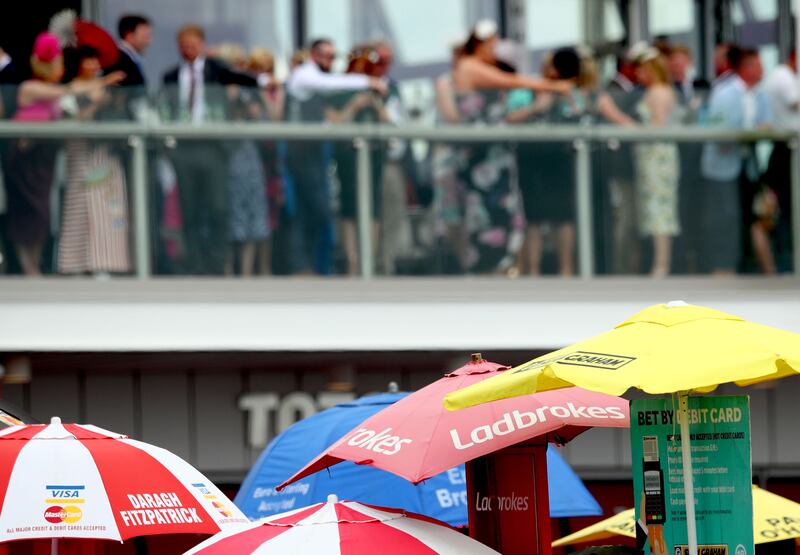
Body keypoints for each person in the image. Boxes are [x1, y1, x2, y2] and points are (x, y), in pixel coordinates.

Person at [451, 20, 570, 274]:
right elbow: (511, 81)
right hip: (480, 157)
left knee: (502, 211)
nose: (494, 50)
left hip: (495, 156)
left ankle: (501, 265)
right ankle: (485, 266)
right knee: (484, 214)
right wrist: (552, 86)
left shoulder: (480, 66)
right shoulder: (469, 66)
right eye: (492, 44)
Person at [5, 33, 121, 276]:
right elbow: (69, 90)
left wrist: (95, 103)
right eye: (57, 64)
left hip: (44, 156)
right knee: (23, 210)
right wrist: (102, 81)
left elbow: (71, 120)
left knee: (41, 212)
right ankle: (28, 268)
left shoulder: (56, 92)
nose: (61, 69)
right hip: (24, 155)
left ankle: (34, 266)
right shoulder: (31, 87)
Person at [161, 24, 268, 275]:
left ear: (202, 44)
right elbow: (164, 108)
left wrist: (263, 80)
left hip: (213, 147)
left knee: (218, 206)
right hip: (185, 148)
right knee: (190, 207)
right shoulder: (170, 76)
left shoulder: (216, 71)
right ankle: (195, 264)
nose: (188, 48)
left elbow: (241, 78)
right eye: (183, 44)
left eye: (193, 43)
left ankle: (217, 263)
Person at [284, 37, 387, 275]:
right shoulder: (305, 75)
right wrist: (368, 81)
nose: (331, 61)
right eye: (327, 56)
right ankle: (302, 265)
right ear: (314, 55)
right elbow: (328, 84)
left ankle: (314, 265)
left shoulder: (317, 78)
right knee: (309, 209)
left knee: (316, 210)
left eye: (333, 56)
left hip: (316, 151)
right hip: (300, 153)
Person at [507, 48, 584, 276]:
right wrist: (536, 107)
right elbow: (509, 118)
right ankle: (533, 271)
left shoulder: (568, 91)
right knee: (534, 218)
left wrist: (565, 97)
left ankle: (566, 270)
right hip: (531, 160)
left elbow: (579, 114)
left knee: (563, 217)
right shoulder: (526, 90)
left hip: (560, 159)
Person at [59, 47, 131, 275]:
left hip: (105, 154)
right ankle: (75, 264)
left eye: (96, 61)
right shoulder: (69, 88)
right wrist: (96, 100)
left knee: (109, 210)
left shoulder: (106, 88)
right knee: (78, 208)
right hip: (80, 152)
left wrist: (109, 97)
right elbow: (70, 119)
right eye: (89, 60)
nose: (94, 66)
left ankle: (106, 263)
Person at [701, 47, 771, 275]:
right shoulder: (724, 93)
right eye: (758, 65)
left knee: (748, 216)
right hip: (722, 167)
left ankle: (745, 264)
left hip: (747, 166)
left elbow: (765, 124)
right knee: (724, 216)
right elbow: (717, 128)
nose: (762, 70)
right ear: (746, 67)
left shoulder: (760, 94)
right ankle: (723, 266)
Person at [325, 44, 390, 275]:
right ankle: (352, 263)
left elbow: (391, 125)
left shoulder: (380, 90)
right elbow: (333, 122)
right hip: (347, 157)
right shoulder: (339, 91)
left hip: (374, 156)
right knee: (349, 207)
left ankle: (369, 262)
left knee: (373, 207)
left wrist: (376, 104)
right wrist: (354, 106)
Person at [633, 48, 681, 277]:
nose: (639, 75)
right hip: (652, 157)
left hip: (657, 157)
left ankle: (661, 265)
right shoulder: (659, 90)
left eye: (642, 70)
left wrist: (622, 122)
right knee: (656, 209)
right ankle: (659, 263)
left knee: (660, 210)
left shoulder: (659, 92)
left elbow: (657, 125)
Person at [760, 49, 798, 274]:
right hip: (785, 152)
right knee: (781, 210)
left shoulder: (790, 76)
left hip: (788, 151)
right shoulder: (783, 76)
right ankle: (785, 262)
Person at [105, 14, 151, 120]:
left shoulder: (128, 58)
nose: (149, 41)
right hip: (122, 121)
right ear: (129, 35)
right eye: (145, 36)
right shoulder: (119, 59)